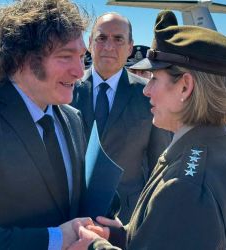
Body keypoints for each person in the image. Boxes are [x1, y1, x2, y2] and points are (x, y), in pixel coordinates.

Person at [69, 10, 226, 250]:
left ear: (185, 87)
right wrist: (120, 237)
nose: (147, 90)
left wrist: (95, 247)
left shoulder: (185, 187)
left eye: (155, 78)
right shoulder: (214, 151)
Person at [0, 0, 91, 249]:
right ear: (21, 58)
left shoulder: (72, 119)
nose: (79, 71)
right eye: (65, 56)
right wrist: (55, 239)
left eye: (82, 57)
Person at [71, 12, 171, 224]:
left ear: (130, 47)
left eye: (118, 39)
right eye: (101, 38)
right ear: (90, 43)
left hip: (127, 217)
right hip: (73, 215)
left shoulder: (149, 95)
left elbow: (158, 162)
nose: (109, 46)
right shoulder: (65, 91)